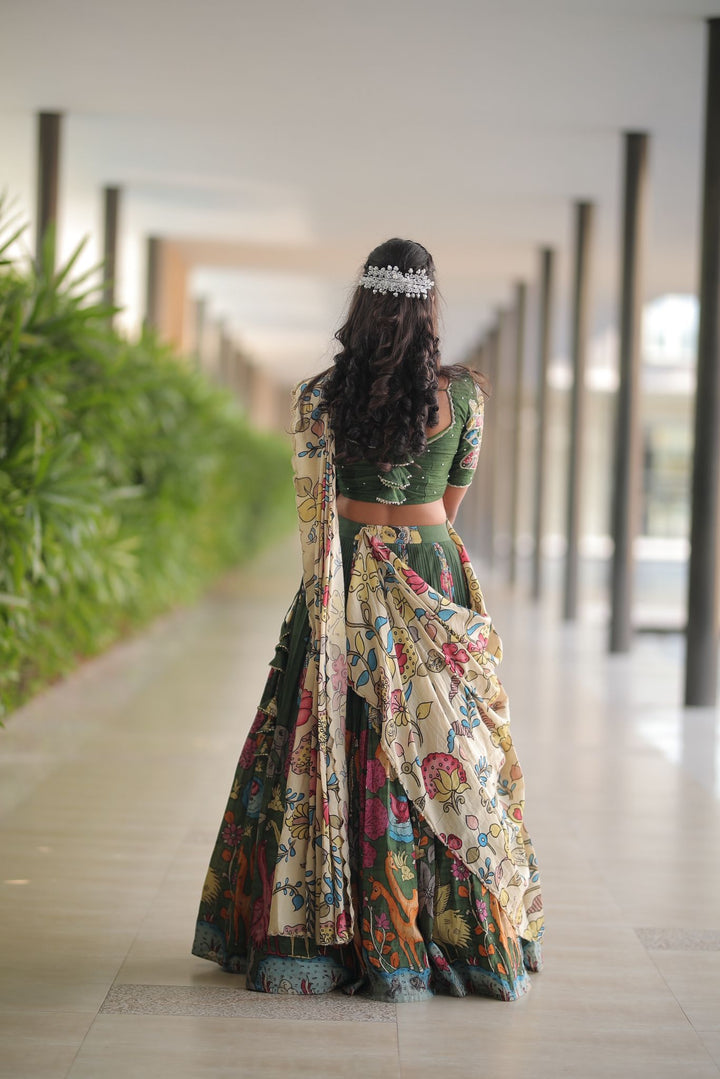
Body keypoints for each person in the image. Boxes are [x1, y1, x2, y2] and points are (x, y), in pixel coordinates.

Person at [191, 237, 545, 1003]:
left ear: (363, 301)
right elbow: (451, 501)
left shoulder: (318, 394)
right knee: (441, 738)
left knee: (330, 727)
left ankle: (324, 925)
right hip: (427, 562)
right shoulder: (466, 398)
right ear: (429, 305)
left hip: (344, 567)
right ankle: (458, 933)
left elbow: (313, 502)